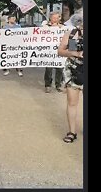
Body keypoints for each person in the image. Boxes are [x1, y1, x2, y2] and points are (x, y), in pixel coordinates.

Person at [57, 11, 83, 143]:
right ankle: (72, 132)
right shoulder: (71, 34)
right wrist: (75, 53)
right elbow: (60, 51)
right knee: (72, 103)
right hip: (74, 71)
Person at [43, 11, 64, 93]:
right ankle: (48, 85)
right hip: (49, 51)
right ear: (50, 18)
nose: (55, 19)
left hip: (59, 51)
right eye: (53, 18)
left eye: (56, 17)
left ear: (59, 18)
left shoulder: (63, 27)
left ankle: (58, 85)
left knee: (60, 69)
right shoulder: (45, 27)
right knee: (48, 69)